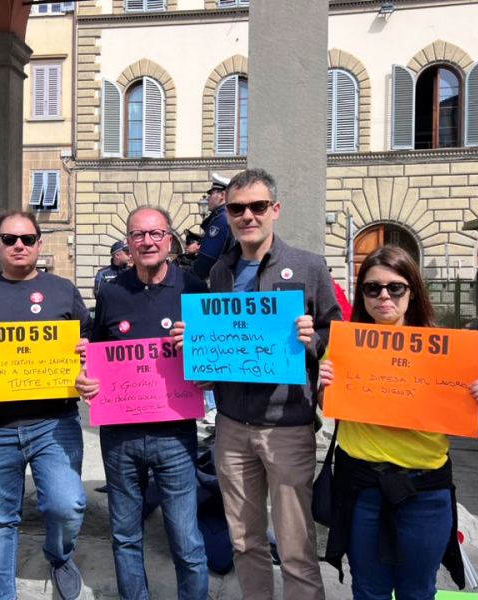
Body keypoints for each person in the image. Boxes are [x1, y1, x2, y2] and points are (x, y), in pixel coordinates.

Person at [172, 168, 341, 600]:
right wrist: (193, 344)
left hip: (287, 425)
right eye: (237, 208)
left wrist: (313, 340)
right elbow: (218, 345)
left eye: (257, 206)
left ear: (275, 210)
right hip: (230, 427)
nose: (248, 215)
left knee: (296, 547)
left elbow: (336, 338)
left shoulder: (309, 265)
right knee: (245, 542)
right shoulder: (220, 274)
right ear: (226, 214)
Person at [320, 245, 478, 600]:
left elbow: (456, 410)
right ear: (362, 294)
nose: (384, 296)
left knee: (418, 591)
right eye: (373, 288)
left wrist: (477, 398)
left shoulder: (445, 350)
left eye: (395, 287)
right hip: (362, 488)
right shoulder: (342, 347)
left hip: (425, 492)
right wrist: (323, 387)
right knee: (369, 590)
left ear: (412, 290)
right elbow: (330, 407)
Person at [0, 211, 91, 600]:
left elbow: (91, 343)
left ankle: (59, 555)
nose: (19, 246)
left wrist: (86, 353)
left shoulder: (62, 289)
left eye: (27, 239)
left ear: (39, 244)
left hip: (54, 422)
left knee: (67, 504)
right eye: (9, 239)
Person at [76, 206, 209, 600]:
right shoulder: (111, 290)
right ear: (128, 243)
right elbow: (97, 351)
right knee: (125, 537)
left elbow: (214, 358)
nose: (147, 242)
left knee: (186, 541)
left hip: (176, 434)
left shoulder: (194, 288)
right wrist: (85, 375)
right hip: (119, 437)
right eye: (138, 235)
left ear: (170, 240)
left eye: (155, 234)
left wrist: (198, 353)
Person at [193, 173, 234, 280]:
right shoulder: (227, 215)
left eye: (211, 193)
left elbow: (207, 259)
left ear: (222, 195)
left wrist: (190, 274)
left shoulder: (221, 219)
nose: (208, 198)